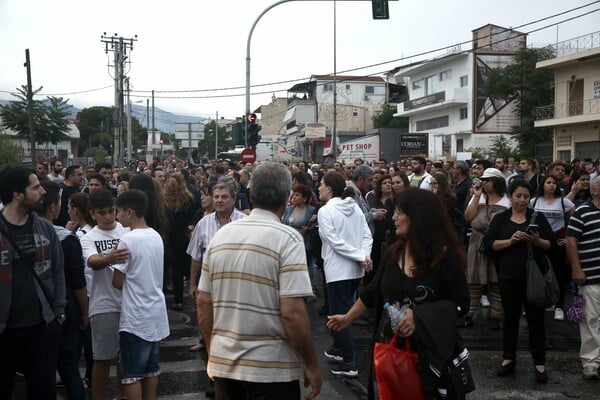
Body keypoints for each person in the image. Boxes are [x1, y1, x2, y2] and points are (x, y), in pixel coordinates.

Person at [327, 188, 469, 399]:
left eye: (399, 212)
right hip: (389, 351)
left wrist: (420, 316)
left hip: (431, 355)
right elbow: (373, 291)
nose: (393, 217)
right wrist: (347, 318)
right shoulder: (394, 252)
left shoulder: (445, 257)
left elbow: (461, 305)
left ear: (418, 217)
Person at [196, 162, 322, 400]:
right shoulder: (287, 239)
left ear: (251, 195)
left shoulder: (221, 235)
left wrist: (214, 350)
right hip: (272, 370)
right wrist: (311, 365)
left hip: (225, 367)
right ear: (286, 198)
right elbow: (292, 312)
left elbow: (203, 301)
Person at [0, 166, 66, 400]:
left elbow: (58, 272)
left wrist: (58, 314)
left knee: (43, 392)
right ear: (18, 194)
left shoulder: (45, 228)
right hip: (4, 331)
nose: (42, 192)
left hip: (42, 327)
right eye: (35, 187)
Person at [481, 180, 555, 383]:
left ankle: (539, 362)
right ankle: (508, 358)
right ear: (511, 196)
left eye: (525, 196)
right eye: (518, 196)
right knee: (510, 319)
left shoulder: (537, 217)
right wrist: (510, 241)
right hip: (509, 276)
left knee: (536, 320)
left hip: (534, 277)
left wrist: (536, 241)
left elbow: (551, 245)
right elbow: (487, 246)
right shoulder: (501, 218)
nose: (522, 200)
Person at [111, 189, 170, 400]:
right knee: (152, 368)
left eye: (118, 211)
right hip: (155, 311)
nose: (117, 216)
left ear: (129, 212)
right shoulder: (156, 236)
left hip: (135, 316)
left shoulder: (128, 240)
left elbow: (117, 282)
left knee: (131, 375)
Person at [318, 172, 373, 377]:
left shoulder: (325, 211)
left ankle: (350, 361)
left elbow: (335, 242)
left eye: (322, 185)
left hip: (338, 270)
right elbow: (366, 235)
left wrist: (361, 256)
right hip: (355, 270)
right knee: (340, 309)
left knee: (340, 314)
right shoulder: (355, 207)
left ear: (330, 189)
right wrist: (363, 256)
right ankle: (340, 349)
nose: (319, 188)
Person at [39, 180, 89, 400]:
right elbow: (78, 282)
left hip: (34, 313)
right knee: (70, 369)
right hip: (65, 309)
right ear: (53, 207)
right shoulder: (67, 238)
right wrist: (85, 313)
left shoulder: (17, 235)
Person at [79, 188, 129, 400]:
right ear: (92, 214)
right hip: (103, 304)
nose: (108, 216)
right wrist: (110, 258)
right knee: (102, 359)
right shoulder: (88, 237)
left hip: (129, 304)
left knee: (125, 359)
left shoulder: (127, 231)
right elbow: (92, 262)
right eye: (102, 213)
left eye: (111, 211)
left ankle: (120, 396)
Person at [462, 168, 510, 328]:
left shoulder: (507, 200)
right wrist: (476, 196)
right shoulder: (479, 197)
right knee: (474, 279)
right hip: (477, 242)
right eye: (482, 180)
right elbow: (468, 217)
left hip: (497, 243)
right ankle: (469, 314)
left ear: (497, 182)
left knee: (495, 280)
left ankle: (496, 315)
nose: (483, 183)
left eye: (487, 180)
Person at [566, 175, 600, 380]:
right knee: (590, 321)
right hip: (591, 278)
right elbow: (571, 241)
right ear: (595, 190)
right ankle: (591, 363)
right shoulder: (582, 211)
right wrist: (576, 269)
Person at [530, 175, 575, 321]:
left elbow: (575, 221)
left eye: (554, 183)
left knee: (559, 274)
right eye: (548, 182)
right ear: (543, 185)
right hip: (538, 240)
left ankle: (559, 306)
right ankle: (537, 303)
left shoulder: (564, 202)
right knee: (537, 272)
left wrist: (568, 237)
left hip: (557, 242)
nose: (551, 185)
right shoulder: (533, 201)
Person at [163, 174, 197, 310]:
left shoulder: (164, 200)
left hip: (170, 237)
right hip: (185, 235)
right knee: (184, 267)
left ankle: (176, 299)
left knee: (172, 268)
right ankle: (187, 294)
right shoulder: (189, 198)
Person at [281, 184, 317, 295]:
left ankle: (312, 287)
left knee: (309, 264)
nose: (294, 198)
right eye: (293, 195)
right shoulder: (289, 209)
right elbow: (283, 223)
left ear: (305, 198)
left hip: (305, 242)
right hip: (290, 243)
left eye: (297, 195)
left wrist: (309, 229)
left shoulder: (312, 211)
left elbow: (316, 226)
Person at [366, 174, 395, 285]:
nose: (388, 185)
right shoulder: (373, 200)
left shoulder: (394, 200)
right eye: (385, 183)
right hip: (375, 238)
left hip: (390, 239)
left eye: (390, 183)